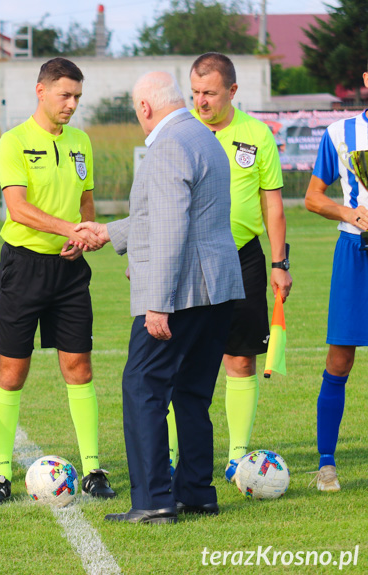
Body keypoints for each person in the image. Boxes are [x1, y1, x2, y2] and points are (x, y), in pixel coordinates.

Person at [78, 72, 244, 524]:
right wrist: (110, 232)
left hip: (181, 291)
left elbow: (172, 228)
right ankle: (195, 493)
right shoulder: (201, 135)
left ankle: (153, 500)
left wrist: (158, 302)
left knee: (142, 387)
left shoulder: (167, 145)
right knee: (192, 393)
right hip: (216, 289)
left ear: (145, 108)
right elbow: (163, 213)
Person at [0, 57, 114, 505]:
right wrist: (67, 228)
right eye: (65, 95)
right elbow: (17, 208)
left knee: (79, 367)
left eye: (77, 96)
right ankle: (0, 474)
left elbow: (87, 201)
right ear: (41, 91)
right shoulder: (14, 141)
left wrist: (86, 236)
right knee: (11, 372)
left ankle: (94, 469)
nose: (72, 104)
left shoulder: (81, 142)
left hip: (70, 269)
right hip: (24, 267)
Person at [170, 52, 292, 482]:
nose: (200, 101)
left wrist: (280, 262)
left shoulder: (256, 134)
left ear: (233, 92)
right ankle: (172, 454)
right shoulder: (179, 131)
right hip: (185, 258)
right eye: (195, 92)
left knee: (239, 357)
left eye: (209, 93)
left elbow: (271, 203)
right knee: (178, 357)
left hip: (242, 257)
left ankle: (238, 456)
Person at [304, 68, 368, 493]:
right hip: (355, 253)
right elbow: (312, 196)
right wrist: (350, 214)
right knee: (340, 358)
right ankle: (326, 464)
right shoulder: (341, 133)